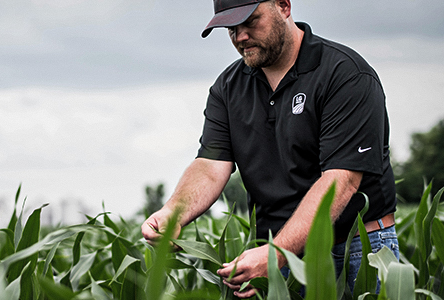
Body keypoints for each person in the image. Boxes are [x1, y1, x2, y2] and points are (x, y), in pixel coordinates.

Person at [141, 0, 399, 298]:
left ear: (284, 6)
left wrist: (278, 252)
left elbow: (340, 180)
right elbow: (210, 165)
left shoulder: (344, 74)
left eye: (250, 22)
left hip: (356, 252)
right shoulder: (228, 87)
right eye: (231, 29)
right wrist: (173, 212)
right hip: (276, 255)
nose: (240, 37)